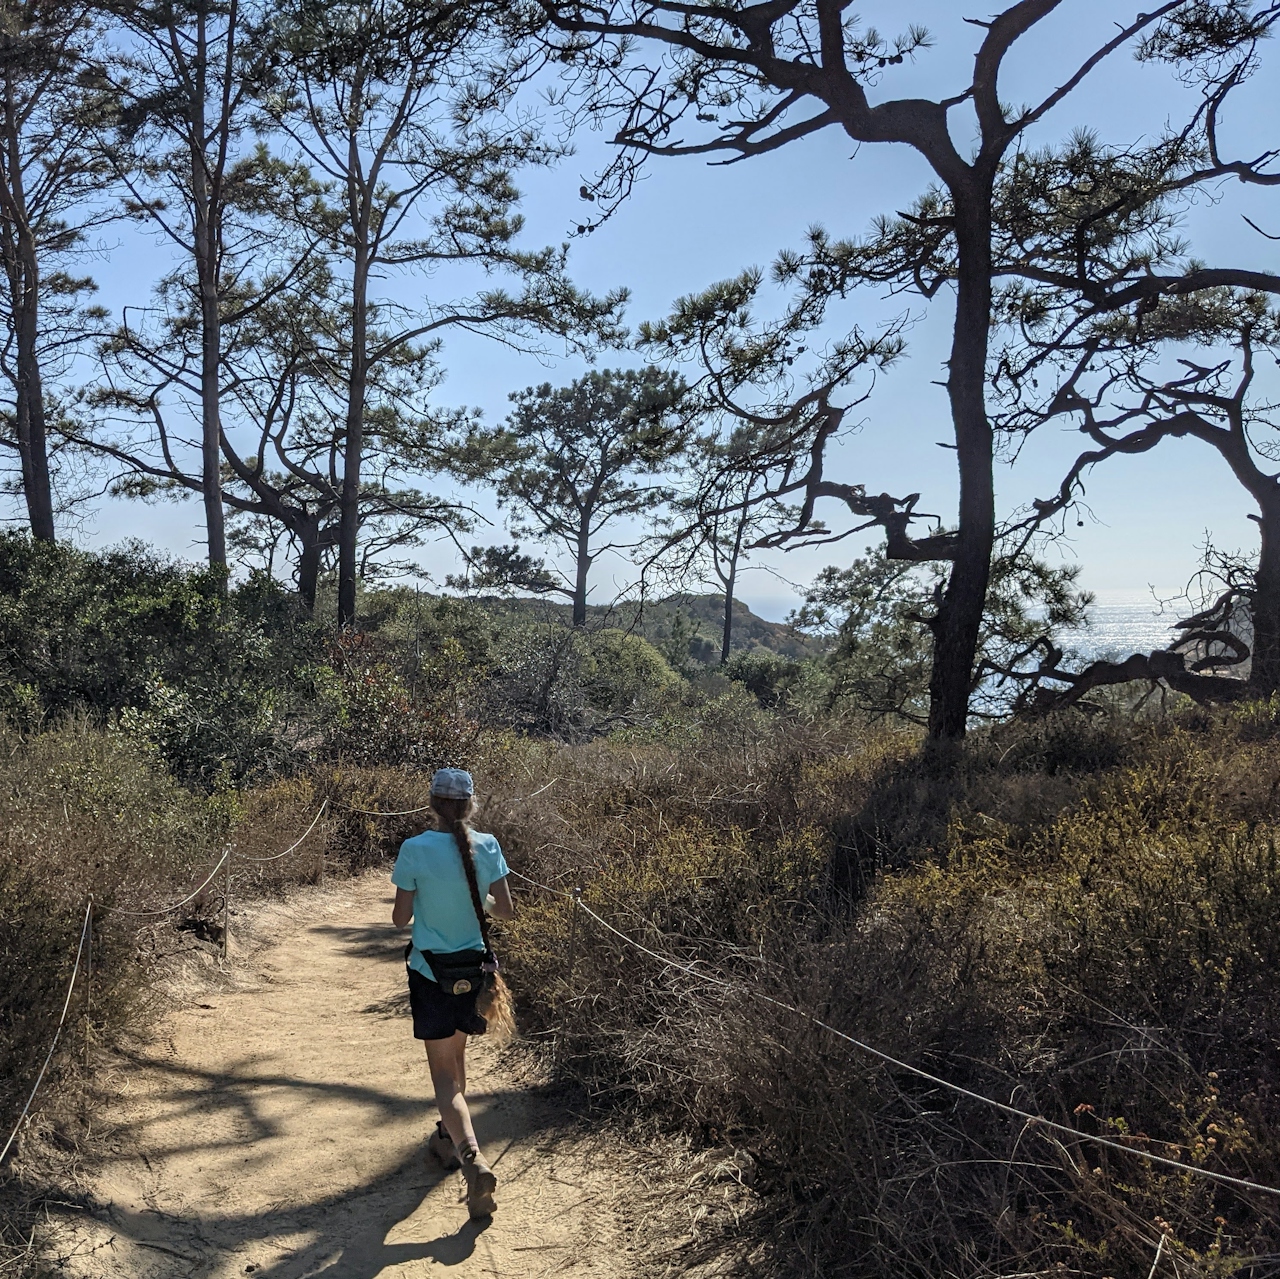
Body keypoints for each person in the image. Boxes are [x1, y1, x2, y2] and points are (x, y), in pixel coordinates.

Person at [391, 767, 515, 1219]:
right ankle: (448, 1138)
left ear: (432, 804)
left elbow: (399, 920)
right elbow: (505, 909)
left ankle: (471, 1157)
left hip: (431, 974)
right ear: (470, 805)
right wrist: (472, 901)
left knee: (444, 1076)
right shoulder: (489, 846)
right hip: (473, 971)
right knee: (458, 1062)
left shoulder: (414, 849)